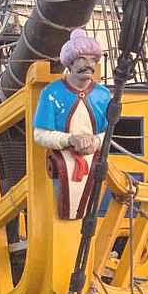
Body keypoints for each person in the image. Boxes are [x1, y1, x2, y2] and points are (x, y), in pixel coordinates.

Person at [33, 29, 110, 219]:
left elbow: (110, 132)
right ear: (70, 61)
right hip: (61, 165)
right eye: (82, 58)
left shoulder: (103, 95)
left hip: (93, 164)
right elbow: (40, 134)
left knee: (89, 214)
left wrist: (96, 142)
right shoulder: (51, 93)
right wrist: (70, 139)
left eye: (93, 60)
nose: (88, 65)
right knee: (62, 211)